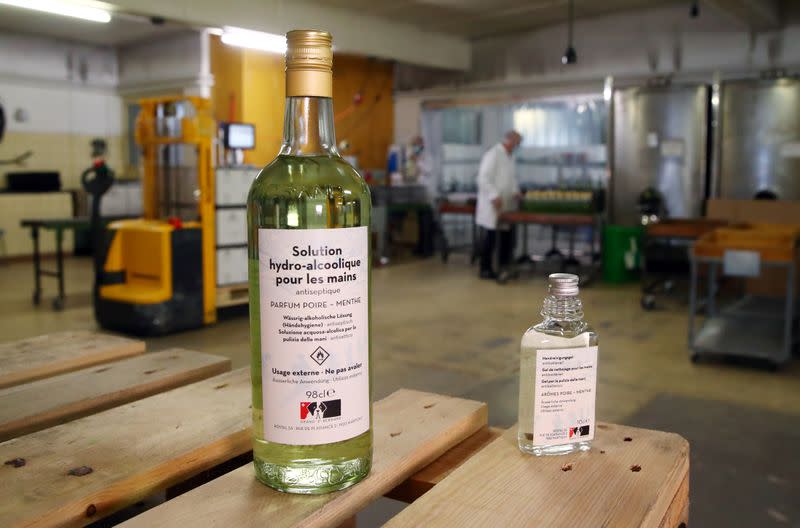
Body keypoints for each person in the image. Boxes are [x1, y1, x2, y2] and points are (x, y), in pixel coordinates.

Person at [475, 130, 522, 281]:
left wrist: (516, 191)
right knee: (490, 238)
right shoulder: (493, 154)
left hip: (506, 205)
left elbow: (512, 178)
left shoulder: (510, 156)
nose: (517, 146)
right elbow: (483, 178)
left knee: (506, 237)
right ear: (509, 140)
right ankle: (485, 269)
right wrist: (494, 195)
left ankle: (503, 267)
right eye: (516, 142)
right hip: (492, 205)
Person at [407, 136, 436, 257]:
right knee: (420, 222)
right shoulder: (415, 157)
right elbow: (413, 173)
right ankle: (421, 247)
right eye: (413, 145)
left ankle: (427, 249)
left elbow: (428, 170)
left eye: (417, 144)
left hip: (428, 192)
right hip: (420, 192)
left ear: (422, 144)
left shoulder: (427, 156)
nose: (415, 147)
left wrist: (417, 160)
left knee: (426, 222)